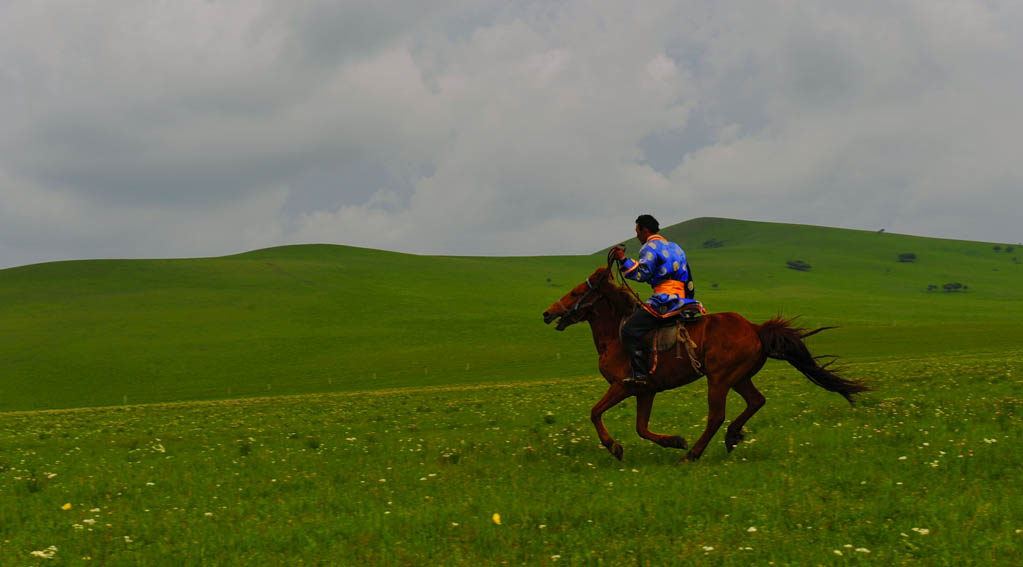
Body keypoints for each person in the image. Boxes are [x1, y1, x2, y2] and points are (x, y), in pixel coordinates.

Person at [612, 214, 699, 384]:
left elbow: (642, 273)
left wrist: (623, 260)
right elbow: (688, 279)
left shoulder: (649, 246)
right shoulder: (676, 247)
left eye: (637, 231)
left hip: (664, 300)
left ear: (645, 230)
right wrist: (688, 300)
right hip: (683, 299)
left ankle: (641, 373)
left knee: (629, 329)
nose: (637, 235)